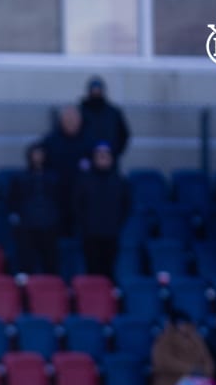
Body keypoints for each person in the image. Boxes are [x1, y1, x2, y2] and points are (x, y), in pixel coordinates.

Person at [72, 143, 129, 280]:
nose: (103, 159)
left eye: (106, 156)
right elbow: (76, 205)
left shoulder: (119, 181)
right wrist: (85, 224)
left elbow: (126, 206)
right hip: (90, 233)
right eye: (99, 156)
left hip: (111, 233)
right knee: (92, 270)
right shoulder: (84, 180)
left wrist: (116, 223)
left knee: (109, 270)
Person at [7, 142, 61, 275]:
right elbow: (13, 200)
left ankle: (51, 289)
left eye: (40, 154)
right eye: (35, 154)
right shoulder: (20, 178)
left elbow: (60, 201)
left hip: (49, 224)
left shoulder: (54, 178)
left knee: (50, 262)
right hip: (27, 225)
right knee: (26, 262)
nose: (38, 157)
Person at [41, 105, 91, 236]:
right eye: (68, 120)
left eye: (74, 120)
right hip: (56, 199)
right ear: (61, 121)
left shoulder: (89, 142)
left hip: (82, 200)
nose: (71, 124)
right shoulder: (50, 141)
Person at [152, 310, 215, 385]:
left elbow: (207, 360)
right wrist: (190, 370)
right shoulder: (164, 340)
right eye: (181, 323)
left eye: (186, 323)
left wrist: (205, 372)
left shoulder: (196, 339)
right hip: (173, 383)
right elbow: (163, 362)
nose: (184, 326)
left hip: (199, 381)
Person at [78, 76, 130, 164]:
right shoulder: (81, 111)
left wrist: (115, 152)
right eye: (94, 89)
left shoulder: (113, 112)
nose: (96, 92)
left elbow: (124, 134)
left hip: (110, 161)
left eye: (98, 89)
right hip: (86, 160)